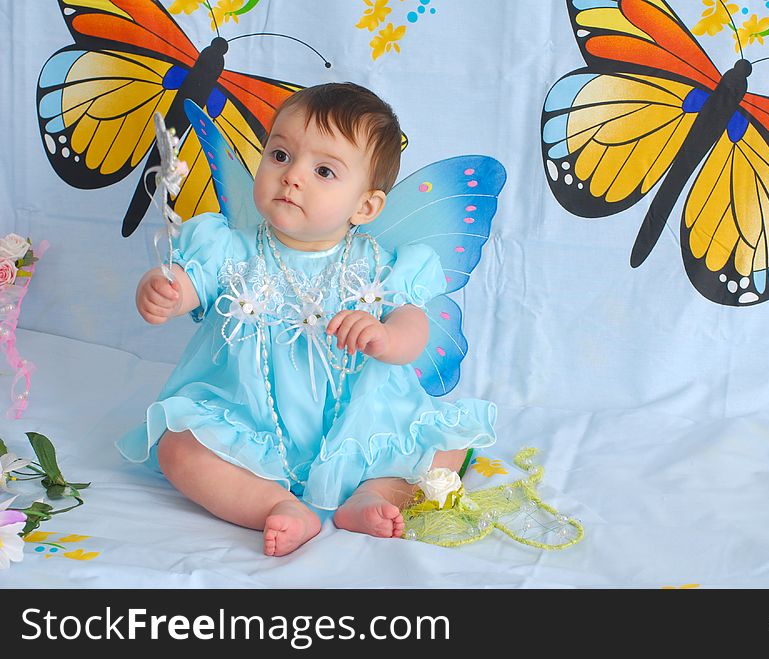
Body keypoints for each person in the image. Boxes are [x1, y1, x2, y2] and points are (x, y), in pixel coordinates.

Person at [117, 83, 496, 556]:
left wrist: (385, 336)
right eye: (279, 155)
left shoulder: (381, 264)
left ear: (366, 206)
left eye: (323, 170)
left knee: (447, 450)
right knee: (179, 448)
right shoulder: (229, 248)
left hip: (361, 426)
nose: (292, 175)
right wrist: (162, 292)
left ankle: (370, 494)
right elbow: (185, 283)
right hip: (247, 421)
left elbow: (413, 328)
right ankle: (273, 503)